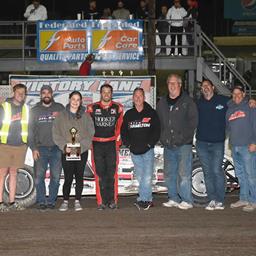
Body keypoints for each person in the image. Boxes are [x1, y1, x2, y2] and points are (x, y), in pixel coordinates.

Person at [156, 74, 198, 210]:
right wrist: (162, 138)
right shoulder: (162, 102)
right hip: (168, 145)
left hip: (183, 144)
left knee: (184, 173)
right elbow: (158, 122)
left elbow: (193, 122)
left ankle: (187, 200)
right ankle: (173, 198)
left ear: (180, 85)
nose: (172, 85)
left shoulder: (188, 101)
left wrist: (183, 137)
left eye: (175, 83)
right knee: (169, 173)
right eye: (169, 83)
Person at [52, 91, 95, 212]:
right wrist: (64, 146)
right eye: (73, 99)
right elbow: (56, 133)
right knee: (68, 177)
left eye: (78, 100)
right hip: (67, 150)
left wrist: (81, 147)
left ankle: (77, 201)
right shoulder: (61, 116)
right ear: (69, 100)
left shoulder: (86, 117)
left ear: (80, 102)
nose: (75, 102)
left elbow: (90, 133)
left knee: (79, 176)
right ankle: (65, 201)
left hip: (81, 151)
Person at [121, 88, 160, 210]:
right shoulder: (129, 114)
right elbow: (123, 132)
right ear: (133, 99)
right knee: (140, 176)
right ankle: (147, 200)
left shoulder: (152, 113)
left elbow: (157, 130)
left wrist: (150, 144)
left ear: (144, 98)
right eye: (136, 96)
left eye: (140, 96)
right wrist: (128, 145)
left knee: (147, 176)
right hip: (135, 151)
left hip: (148, 150)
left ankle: (143, 200)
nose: (138, 98)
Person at [87, 84, 123, 210]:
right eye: (104, 92)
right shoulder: (92, 108)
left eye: (109, 92)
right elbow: (88, 127)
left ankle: (113, 201)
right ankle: (101, 202)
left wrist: (117, 143)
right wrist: (89, 143)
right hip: (97, 144)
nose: (106, 94)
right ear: (100, 93)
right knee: (99, 174)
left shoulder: (118, 108)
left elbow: (120, 127)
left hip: (111, 144)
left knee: (112, 174)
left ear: (111, 94)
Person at [28, 85, 64, 210]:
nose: (46, 95)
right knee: (38, 178)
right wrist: (33, 148)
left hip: (56, 148)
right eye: (44, 93)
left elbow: (66, 126)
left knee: (55, 177)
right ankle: (42, 201)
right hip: (40, 149)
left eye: (48, 92)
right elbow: (30, 131)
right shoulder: (34, 110)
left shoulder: (59, 108)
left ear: (52, 94)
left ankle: (52, 201)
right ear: (40, 95)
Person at [196, 79, 229, 211]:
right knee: (207, 172)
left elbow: (238, 102)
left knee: (216, 171)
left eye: (207, 86)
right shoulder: (198, 103)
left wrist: (250, 101)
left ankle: (220, 200)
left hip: (217, 143)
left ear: (213, 87)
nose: (205, 88)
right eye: (203, 86)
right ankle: (212, 199)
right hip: (202, 143)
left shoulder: (223, 101)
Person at [226, 85, 256, 212]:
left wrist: (254, 142)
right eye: (234, 94)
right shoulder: (229, 110)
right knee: (241, 175)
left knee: (251, 175)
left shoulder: (250, 107)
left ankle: (253, 200)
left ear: (243, 94)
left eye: (239, 94)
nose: (236, 96)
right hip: (235, 147)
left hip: (247, 146)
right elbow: (228, 127)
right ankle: (243, 198)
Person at [0, 84, 29, 212]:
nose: (21, 95)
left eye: (23, 93)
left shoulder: (26, 109)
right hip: (4, 145)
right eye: (18, 92)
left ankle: (12, 202)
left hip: (20, 146)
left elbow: (29, 128)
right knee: (1, 174)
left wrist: (27, 143)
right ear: (13, 92)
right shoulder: (4, 107)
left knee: (13, 174)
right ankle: (0, 203)